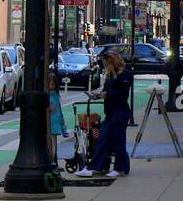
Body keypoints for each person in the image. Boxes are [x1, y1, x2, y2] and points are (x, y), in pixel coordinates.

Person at [77, 48, 133, 179]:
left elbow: (122, 93)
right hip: (111, 112)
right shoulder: (111, 75)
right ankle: (94, 166)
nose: (105, 67)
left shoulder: (125, 75)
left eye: (106, 64)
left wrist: (106, 94)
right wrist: (99, 93)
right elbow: (110, 90)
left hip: (119, 112)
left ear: (111, 62)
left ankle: (119, 167)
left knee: (118, 142)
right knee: (103, 140)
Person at [48, 72, 69, 165]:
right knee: (53, 143)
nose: (51, 85)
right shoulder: (55, 95)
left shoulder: (49, 95)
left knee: (50, 143)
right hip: (55, 122)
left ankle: (51, 160)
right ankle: (53, 160)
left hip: (51, 122)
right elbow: (59, 111)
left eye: (52, 84)